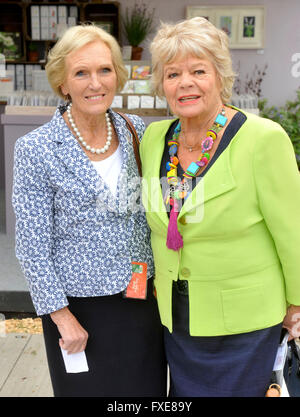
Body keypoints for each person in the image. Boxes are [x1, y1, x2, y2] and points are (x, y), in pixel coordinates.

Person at [139, 17, 300, 397]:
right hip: (179, 321)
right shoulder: (153, 138)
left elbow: (293, 231)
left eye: (198, 70)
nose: (185, 82)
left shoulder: (262, 139)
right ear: (162, 83)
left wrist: (297, 305)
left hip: (245, 325)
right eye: (173, 73)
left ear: (220, 75)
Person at [12, 24, 167, 397]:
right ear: (63, 83)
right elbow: (32, 246)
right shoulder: (36, 149)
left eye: (104, 70)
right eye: (81, 72)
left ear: (118, 75)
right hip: (77, 310)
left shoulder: (136, 131)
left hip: (140, 299)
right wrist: (62, 318)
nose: (95, 83)